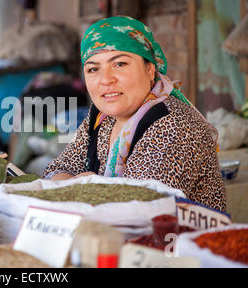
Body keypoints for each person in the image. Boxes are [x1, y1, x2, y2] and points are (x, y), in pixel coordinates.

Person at [43, 16, 226, 212]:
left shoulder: (174, 125)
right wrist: (75, 186)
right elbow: (56, 169)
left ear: (150, 68)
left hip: (177, 240)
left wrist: (78, 188)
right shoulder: (101, 117)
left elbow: (140, 207)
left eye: (119, 64)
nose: (106, 80)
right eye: (94, 69)